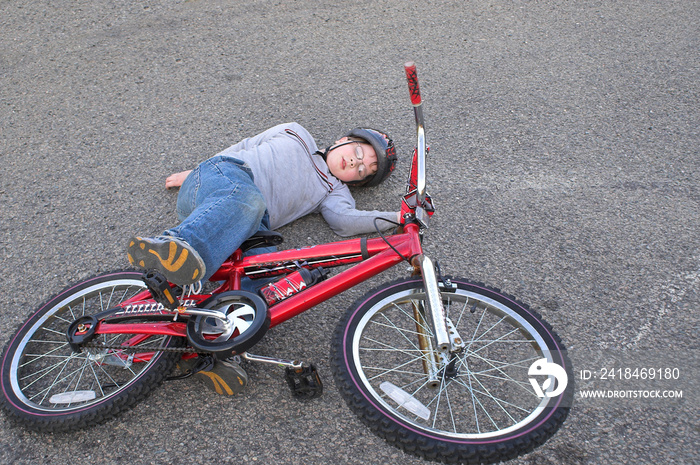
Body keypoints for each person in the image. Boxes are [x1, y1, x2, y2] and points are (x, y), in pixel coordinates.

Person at [127, 122, 399, 286]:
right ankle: (176, 243)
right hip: (221, 180)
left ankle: (217, 336)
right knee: (248, 199)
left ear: (356, 183)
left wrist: (399, 217)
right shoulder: (296, 133)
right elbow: (243, 146)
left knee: (268, 273)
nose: (355, 163)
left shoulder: (334, 192)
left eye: (362, 171)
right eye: (359, 152)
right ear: (344, 140)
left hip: (250, 225)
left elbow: (345, 222)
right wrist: (195, 172)